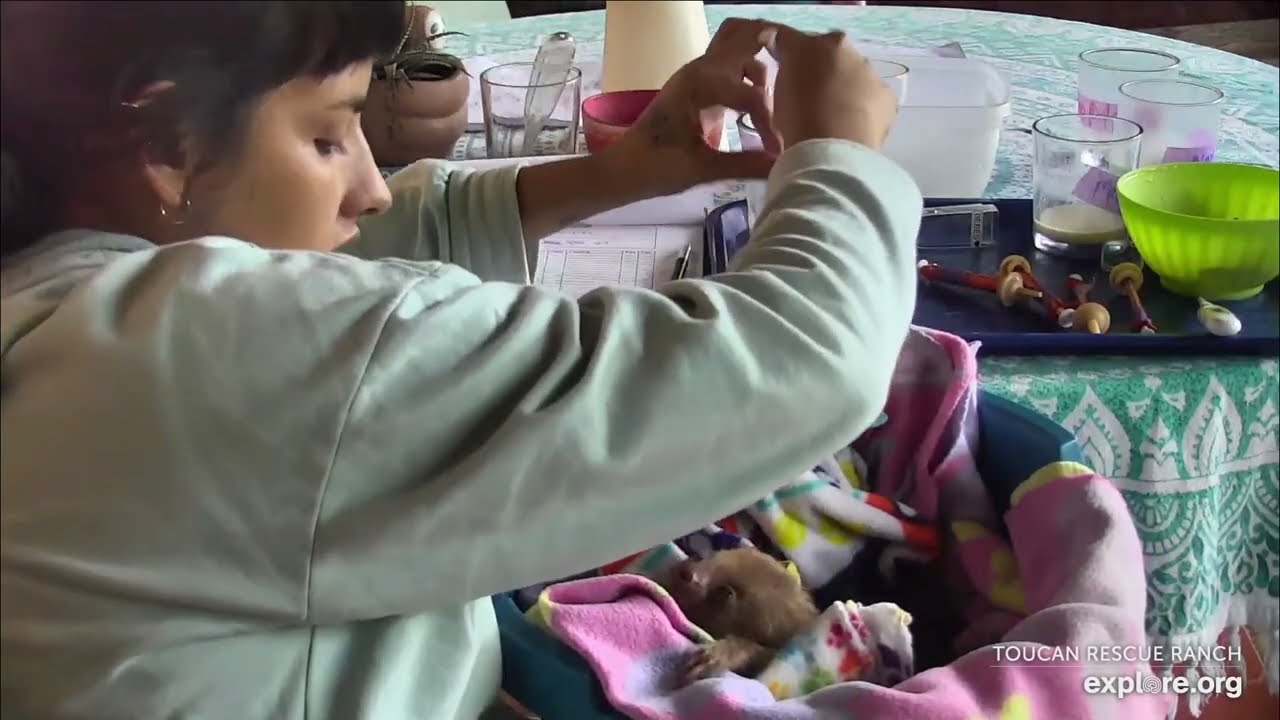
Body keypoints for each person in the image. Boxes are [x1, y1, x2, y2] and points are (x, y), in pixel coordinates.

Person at [0, 2, 919, 718]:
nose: (366, 185)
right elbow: (799, 361)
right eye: (327, 136)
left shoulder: (66, 311)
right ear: (168, 148)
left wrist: (624, 169)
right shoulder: (205, 361)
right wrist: (837, 156)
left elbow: (330, 262)